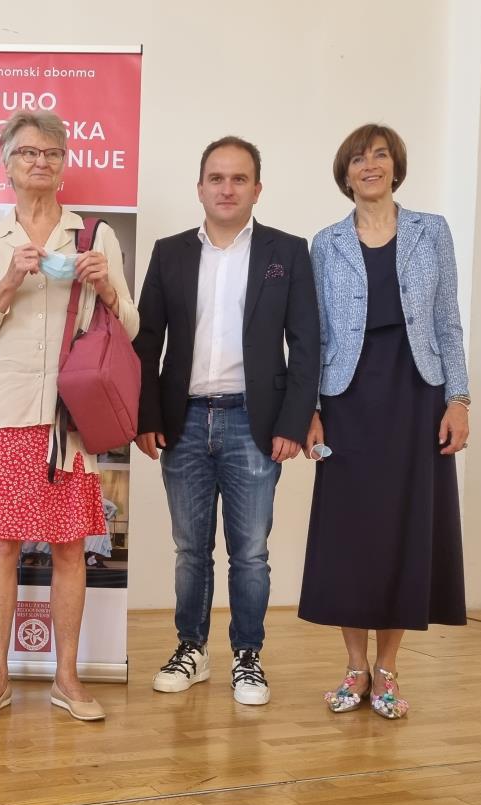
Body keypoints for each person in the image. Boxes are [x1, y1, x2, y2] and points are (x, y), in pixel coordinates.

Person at [0, 109, 139, 722]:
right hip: (4, 414)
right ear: (6, 163)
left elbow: (130, 327)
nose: (41, 161)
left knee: (68, 547)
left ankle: (67, 678)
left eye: (52, 153)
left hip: (70, 418)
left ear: (64, 165)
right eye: (29, 152)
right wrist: (8, 282)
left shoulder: (93, 236)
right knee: (1, 546)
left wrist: (106, 288)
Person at [135, 136, 320, 706]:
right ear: (200, 188)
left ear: (257, 189)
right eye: (216, 178)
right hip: (184, 420)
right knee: (190, 550)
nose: (227, 188)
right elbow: (146, 340)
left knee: (251, 552)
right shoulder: (169, 252)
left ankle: (248, 656)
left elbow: (306, 343)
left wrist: (293, 421)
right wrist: (146, 415)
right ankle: (191, 650)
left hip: (253, 423)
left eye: (239, 179)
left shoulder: (287, 252)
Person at [299, 124, 469, 719]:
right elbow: (316, 333)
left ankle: (389, 668)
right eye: (357, 158)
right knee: (350, 531)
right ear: (344, 174)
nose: (369, 165)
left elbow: (447, 319)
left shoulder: (432, 231)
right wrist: (310, 408)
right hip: (347, 397)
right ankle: (354, 666)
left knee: (406, 526)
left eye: (380, 155)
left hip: (417, 392)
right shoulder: (325, 243)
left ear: (396, 166)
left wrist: (459, 398)